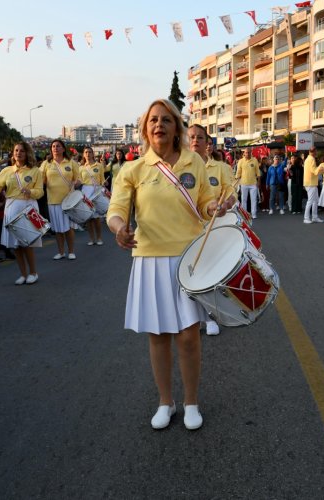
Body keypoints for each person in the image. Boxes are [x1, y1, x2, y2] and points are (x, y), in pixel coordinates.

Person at [107, 98, 226, 431]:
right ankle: (165, 401)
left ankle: (191, 402)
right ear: (146, 129)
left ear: (177, 128)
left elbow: (205, 204)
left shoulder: (194, 162)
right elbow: (116, 210)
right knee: (158, 335)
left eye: (166, 120)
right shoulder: (133, 169)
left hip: (189, 257)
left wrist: (217, 204)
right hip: (149, 258)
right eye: (153, 120)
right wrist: (119, 230)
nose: (159, 125)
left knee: (189, 336)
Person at [188, 125, 235, 338]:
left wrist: (226, 204)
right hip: (187, 230)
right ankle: (193, 317)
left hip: (213, 228)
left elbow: (232, 192)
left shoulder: (221, 168)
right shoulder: (177, 168)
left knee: (211, 273)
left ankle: (211, 316)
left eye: (199, 137)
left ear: (207, 142)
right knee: (191, 273)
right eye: (191, 137)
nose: (195, 140)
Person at [0, 141, 44, 285]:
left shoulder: (35, 171)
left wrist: (30, 191)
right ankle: (23, 274)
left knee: (27, 243)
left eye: (21, 151)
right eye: (16, 150)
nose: (18, 153)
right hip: (11, 207)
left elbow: (40, 192)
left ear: (27, 153)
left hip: (28, 207)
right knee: (15, 245)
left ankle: (33, 272)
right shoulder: (6, 171)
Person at [40, 139, 81, 260]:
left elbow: (78, 179)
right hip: (53, 200)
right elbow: (40, 179)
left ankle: (71, 251)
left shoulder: (71, 162)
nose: (55, 148)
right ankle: (61, 252)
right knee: (58, 229)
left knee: (69, 228)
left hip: (69, 200)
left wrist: (76, 182)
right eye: (53, 146)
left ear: (63, 149)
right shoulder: (46, 164)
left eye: (58, 146)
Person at [79, 146, 107, 246]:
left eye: (90, 152)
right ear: (83, 154)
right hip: (86, 191)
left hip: (96, 191)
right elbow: (80, 181)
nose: (88, 154)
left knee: (96, 217)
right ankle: (91, 238)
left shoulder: (98, 165)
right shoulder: (81, 168)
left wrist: (104, 183)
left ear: (93, 154)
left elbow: (102, 179)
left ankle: (99, 237)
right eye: (86, 152)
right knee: (89, 217)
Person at [235, 149, 260, 219]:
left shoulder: (254, 160)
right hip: (243, 183)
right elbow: (238, 172)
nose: (248, 154)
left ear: (251, 153)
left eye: (249, 152)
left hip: (253, 184)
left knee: (254, 199)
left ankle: (254, 214)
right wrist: (236, 180)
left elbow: (258, 172)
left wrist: (259, 181)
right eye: (246, 152)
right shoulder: (240, 161)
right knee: (244, 200)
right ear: (244, 153)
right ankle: (244, 214)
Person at [303, 145, 324, 223]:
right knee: (311, 201)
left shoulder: (308, 159)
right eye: (314, 151)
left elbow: (313, 171)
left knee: (315, 200)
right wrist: (320, 168)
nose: (315, 152)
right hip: (311, 183)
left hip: (310, 183)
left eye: (314, 151)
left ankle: (314, 217)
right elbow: (314, 171)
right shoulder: (311, 159)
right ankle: (306, 218)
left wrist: (319, 169)